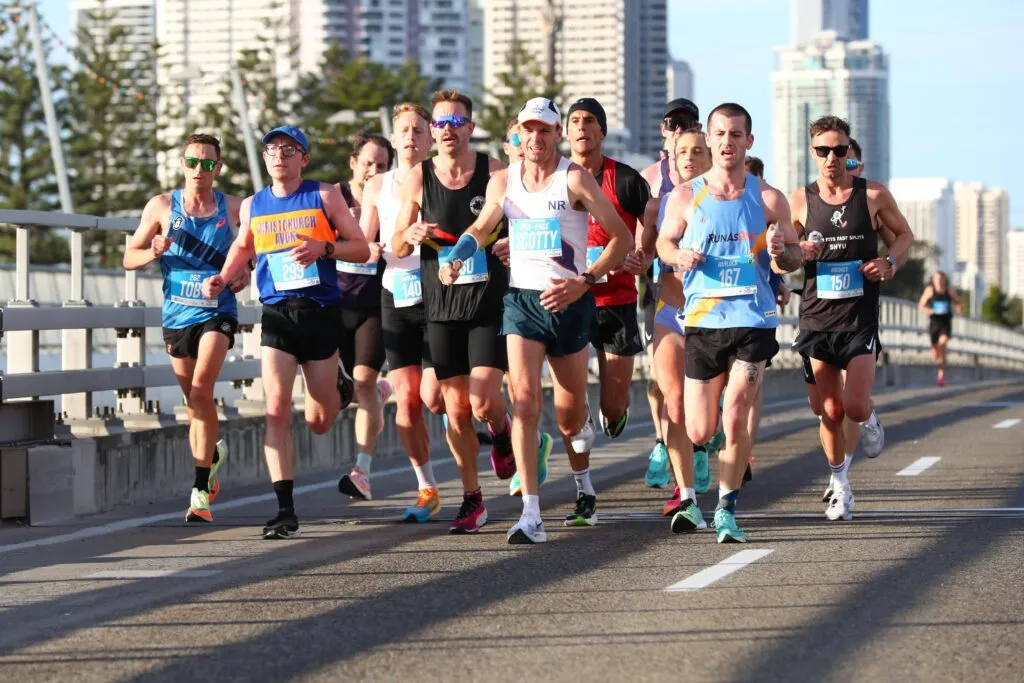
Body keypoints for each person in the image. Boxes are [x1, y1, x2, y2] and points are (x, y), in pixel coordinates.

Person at [440, 96, 632, 543]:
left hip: (569, 301)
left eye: (544, 130)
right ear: (519, 135)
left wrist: (585, 281)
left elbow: (621, 239)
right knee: (524, 403)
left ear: (556, 134)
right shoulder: (503, 181)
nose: (535, 138)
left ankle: (583, 483)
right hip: (522, 301)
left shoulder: (575, 178)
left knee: (569, 417)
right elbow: (480, 228)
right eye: (529, 130)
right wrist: (456, 257)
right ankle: (531, 513)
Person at [202, 125, 367, 539]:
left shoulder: (324, 195)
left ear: (304, 159)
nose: (280, 156)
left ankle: (338, 386)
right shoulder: (254, 204)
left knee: (319, 421)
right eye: (273, 149)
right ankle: (285, 510)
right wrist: (223, 276)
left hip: (320, 312)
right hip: (276, 313)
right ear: (265, 158)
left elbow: (361, 247)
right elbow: (244, 245)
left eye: (290, 150)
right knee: (275, 410)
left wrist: (323, 248)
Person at [657, 103, 802, 543]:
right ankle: (702, 484)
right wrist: (678, 255)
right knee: (700, 429)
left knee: (736, 412)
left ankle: (726, 509)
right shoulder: (686, 196)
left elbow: (793, 259)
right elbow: (663, 242)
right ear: (709, 139)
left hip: (753, 318)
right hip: (703, 320)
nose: (727, 142)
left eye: (736, 134)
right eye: (719, 134)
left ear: (749, 141)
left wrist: (779, 252)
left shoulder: (769, 198)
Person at [392, 89, 519, 535]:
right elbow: (397, 244)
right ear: (433, 131)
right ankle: (472, 498)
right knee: (456, 409)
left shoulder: (496, 172)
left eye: (456, 122)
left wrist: (509, 242)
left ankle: (502, 431)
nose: (447, 130)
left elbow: (510, 222)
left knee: (483, 401)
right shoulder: (417, 177)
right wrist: (409, 234)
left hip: (487, 301)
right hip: (441, 303)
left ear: (470, 127)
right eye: (440, 123)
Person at [790, 115, 913, 522]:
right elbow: (780, 258)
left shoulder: (872, 195)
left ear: (849, 152)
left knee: (854, 406)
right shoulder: (799, 200)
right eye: (823, 150)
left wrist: (889, 262)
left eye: (839, 150)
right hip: (817, 318)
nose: (831, 157)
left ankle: (870, 418)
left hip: (859, 317)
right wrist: (795, 253)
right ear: (813, 153)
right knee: (828, 410)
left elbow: (905, 236)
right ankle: (840, 484)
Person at [125, 133, 248, 524]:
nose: (199, 170)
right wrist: (152, 251)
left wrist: (243, 270)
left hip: (217, 310)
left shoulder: (233, 207)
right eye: (193, 162)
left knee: (201, 389)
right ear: (182, 164)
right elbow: (128, 257)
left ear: (218, 168)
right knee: (194, 404)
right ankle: (211, 456)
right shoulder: (162, 206)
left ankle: (199, 492)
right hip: (177, 316)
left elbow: (256, 245)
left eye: (208, 163)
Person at [358, 104, 446, 521]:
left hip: (440, 293)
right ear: (393, 140)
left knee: (436, 398)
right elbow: (363, 240)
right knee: (407, 403)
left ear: (431, 139)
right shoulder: (377, 185)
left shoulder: (444, 177)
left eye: (418, 130)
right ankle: (427, 488)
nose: (411, 136)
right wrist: (369, 249)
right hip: (396, 293)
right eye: (403, 130)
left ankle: (500, 434)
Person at [567, 97, 650, 443]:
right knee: (569, 398)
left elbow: (652, 228)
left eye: (589, 121)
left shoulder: (626, 179)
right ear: (566, 133)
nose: (582, 128)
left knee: (613, 407)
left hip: (616, 299)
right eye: (575, 121)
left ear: (601, 132)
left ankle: (612, 409)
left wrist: (644, 255)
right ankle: (579, 411)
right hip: (570, 296)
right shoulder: (555, 179)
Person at [642, 128, 712, 528]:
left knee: (707, 413)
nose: (688, 157)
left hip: (714, 315)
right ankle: (687, 497)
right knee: (674, 402)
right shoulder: (660, 204)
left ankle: (707, 450)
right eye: (681, 151)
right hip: (670, 309)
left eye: (697, 151)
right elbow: (646, 248)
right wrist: (637, 258)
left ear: (711, 157)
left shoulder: (731, 200)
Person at [640, 98, 701, 487]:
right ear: (663, 129)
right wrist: (636, 256)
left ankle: (701, 444)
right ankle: (665, 445)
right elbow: (642, 238)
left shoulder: (719, 181)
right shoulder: (650, 179)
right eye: (672, 124)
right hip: (662, 291)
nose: (679, 129)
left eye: (686, 123)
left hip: (712, 300)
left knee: (703, 388)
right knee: (663, 383)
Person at [335, 133, 398, 502]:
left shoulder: (394, 197)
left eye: (382, 165)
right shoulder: (333, 198)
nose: (374, 171)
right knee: (331, 403)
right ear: (353, 163)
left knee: (362, 382)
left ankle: (361, 471)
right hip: (335, 305)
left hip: (374, 306)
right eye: (368, 163)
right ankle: (378, 393)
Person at [918, 271, 962, 387]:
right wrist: (929, 310)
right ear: (933, 280)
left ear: (944, 280)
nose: (938, 281)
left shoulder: (949, 291)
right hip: (934, 323)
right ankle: (935, 349)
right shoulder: (930, 290)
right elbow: (921, 305)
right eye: (936, 279)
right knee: (936, 353)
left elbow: (957, 302)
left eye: (941, 279)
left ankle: (941, 376)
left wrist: (958, 308)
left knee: (942, 345)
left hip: (945, 323)